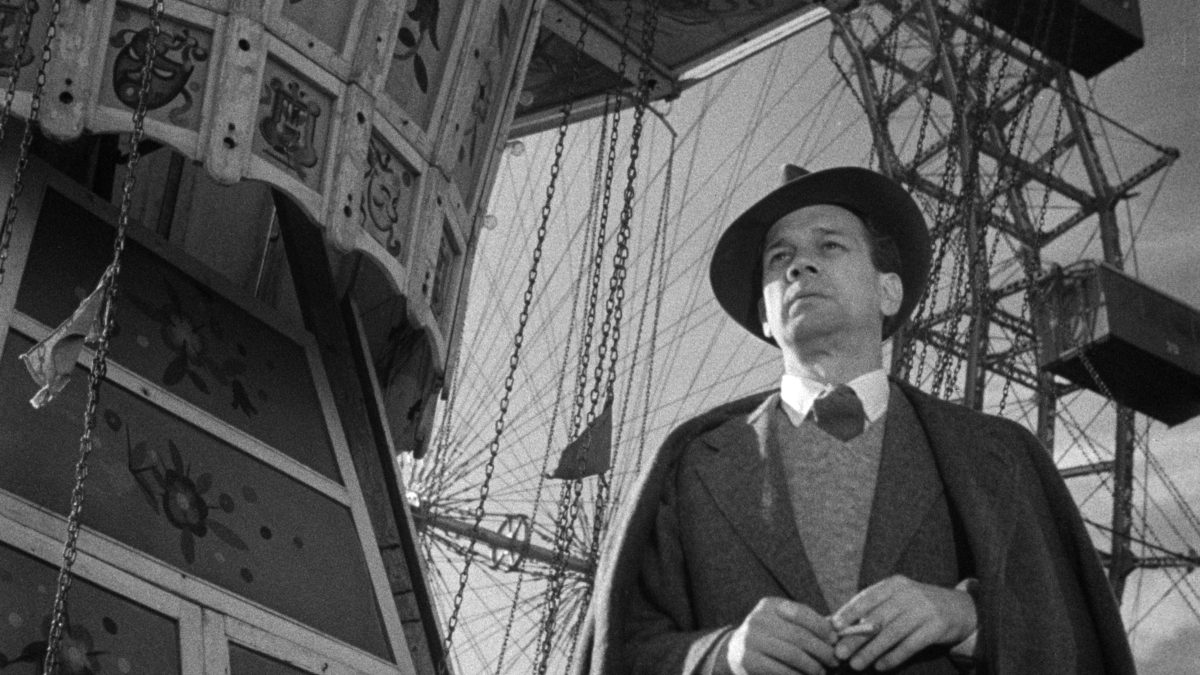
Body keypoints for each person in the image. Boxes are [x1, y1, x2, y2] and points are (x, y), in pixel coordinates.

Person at [575, 166, 1135, 674]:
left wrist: (967, 617)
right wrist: (722, 656)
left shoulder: (999, 455)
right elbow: (621, 654)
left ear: (888, 290)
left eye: (830, 245)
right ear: (765, 316)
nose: (799, 264)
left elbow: (1079, 640)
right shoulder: (689, 467)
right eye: (779, 258)